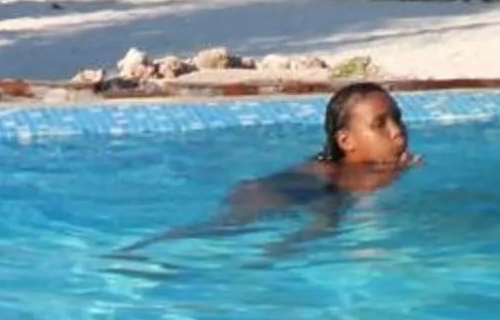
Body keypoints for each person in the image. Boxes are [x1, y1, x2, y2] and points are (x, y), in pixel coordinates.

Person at [118, 82, 418, 259]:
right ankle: (256, 266)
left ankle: (139, 251)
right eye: (380, 124)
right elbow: (364, 195)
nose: (397, 132)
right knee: (314, 232)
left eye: (397, 119)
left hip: (267, 188)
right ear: (345, 141)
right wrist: (395, 174)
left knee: (219, 227)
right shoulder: (357, 173)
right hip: (292, 191)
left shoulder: (329, 164)